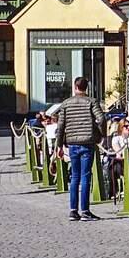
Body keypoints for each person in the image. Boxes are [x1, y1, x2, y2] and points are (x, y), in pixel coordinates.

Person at [43, 77, 104, 222]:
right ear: (86, 87)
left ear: (75, 87)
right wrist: (100, 134)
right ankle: (85, 211)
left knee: (75, 176)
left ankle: (73, 210)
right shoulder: (91, 102)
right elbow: (101, 119)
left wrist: (59, 146)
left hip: (72, 143)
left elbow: (61, 126)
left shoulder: (66, 103)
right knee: (86, 176)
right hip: (87, 142)